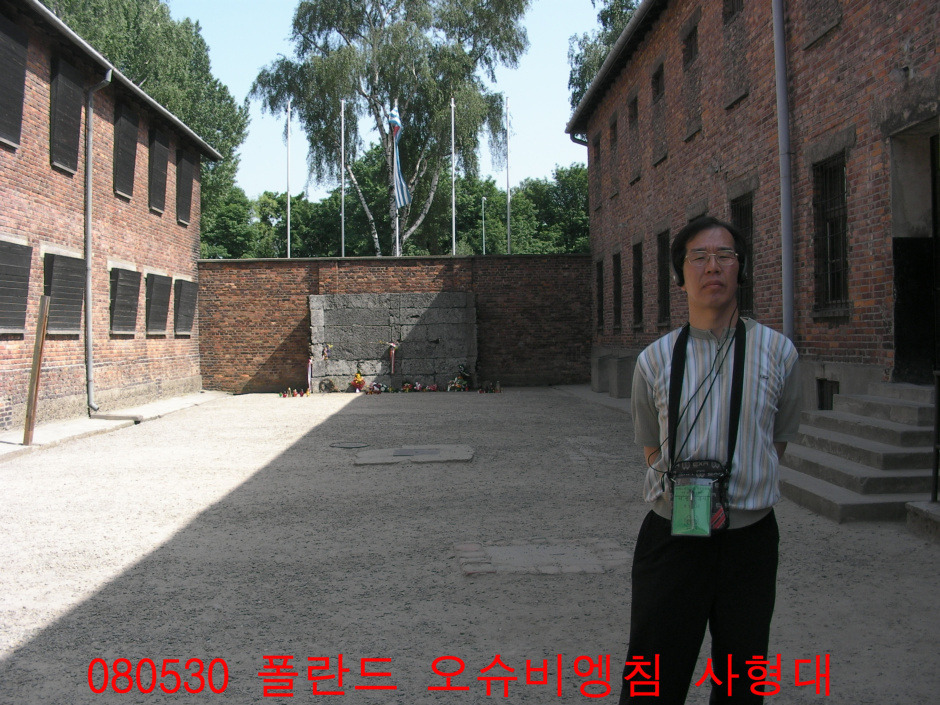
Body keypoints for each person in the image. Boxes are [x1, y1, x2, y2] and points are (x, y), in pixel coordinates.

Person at [619, 216, 801, 704]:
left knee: (744, 678)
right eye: (698, 257)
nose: (712, 266)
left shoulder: (779, 353)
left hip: (750, 541)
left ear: (742, 269)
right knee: (653, 676)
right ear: (680, 276)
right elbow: (651, 446)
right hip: (673, 535)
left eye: (725, 255)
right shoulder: (655, 359)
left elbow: (776, 440)